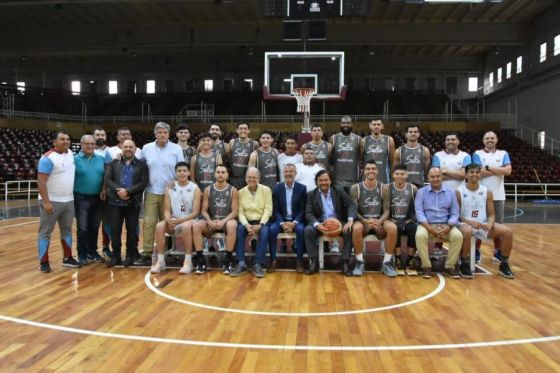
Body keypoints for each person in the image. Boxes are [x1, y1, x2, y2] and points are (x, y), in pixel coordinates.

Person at [456, 164, 515, 279]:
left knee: (508, 232)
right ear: (466, 175)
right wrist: (470, 222)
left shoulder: (487, 192)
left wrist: (490, 223)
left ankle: (504, 264)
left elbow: (492, 213)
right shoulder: (458, 192)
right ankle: (464, 263)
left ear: (480, 174)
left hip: (482, 224)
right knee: (467, 230)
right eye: (472, 172)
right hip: (464, 224)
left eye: (477, 172)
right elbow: (457, 215)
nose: (474, 174)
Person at [139, 122, 184, 265]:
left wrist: (176, 181)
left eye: (165, 132)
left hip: (170, 193)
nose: (162, 134)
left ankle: (168, 250)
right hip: (151, 190)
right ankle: (146, 252)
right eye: (159, 132)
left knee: (169, 224)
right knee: (149, 223)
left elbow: (181, 168)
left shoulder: (176, 149)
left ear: (168, 134)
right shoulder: (146, 148)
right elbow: (138, 165)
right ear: (155, 134)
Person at [36, 131, 80, 273]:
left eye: (67, 139)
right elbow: (41, 182)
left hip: (68, 200)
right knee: (45, 232)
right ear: (54, 142)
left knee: (66, 230)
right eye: (62, 139)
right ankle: (44, 262)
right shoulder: (47, 158)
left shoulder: (70, 155)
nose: (66, 141)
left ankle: (67, 258)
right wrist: (47, 202)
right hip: (51, 201)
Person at [150, 162, 201, 274]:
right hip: (175, 220)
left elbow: (196, 212)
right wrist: (168, 219)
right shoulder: (170, 187)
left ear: (189, 172)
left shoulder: (195, 188)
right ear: (175, 173)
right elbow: (167, 210)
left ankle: (188, 262)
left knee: (186, 226)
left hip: (189, 220)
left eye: (184, 171)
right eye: (179, 171)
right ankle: (161, 261)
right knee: (159, 226)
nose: (182, 173)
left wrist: (180, 220)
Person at [104, 140, 149, 267]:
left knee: (132, 231)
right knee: (115, 230)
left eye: (131, 147)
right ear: (121, 149)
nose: (128, 149)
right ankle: (116, 256)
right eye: (125, 147)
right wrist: (119, 191)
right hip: (114, 202)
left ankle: (129, 256)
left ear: (135, 149)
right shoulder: (113, 163)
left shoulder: (142, 165)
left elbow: (143, 182)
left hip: (132, 203)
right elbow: (107, 179)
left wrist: (128, 191)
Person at [350, 161, 398, 277]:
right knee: (356, 228)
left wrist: (379, 221)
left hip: (379, 222)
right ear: (363, 171)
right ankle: (359, 262)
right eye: (368, 169)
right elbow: (354, 210)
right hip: (363, 222)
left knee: (392, 228)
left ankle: (387, 263)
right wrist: (365, 221)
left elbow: (387, 210)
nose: (371, 171)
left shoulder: (384, 188)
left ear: (377, 171)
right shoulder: (355, 188)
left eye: (373, 169)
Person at [304, 170, 356, 276]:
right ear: (316, 182)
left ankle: (344, 262)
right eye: (320, 180)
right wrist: (317, 225)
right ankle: (314, 262)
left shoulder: (339, 190)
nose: (323, 183)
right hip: (321, 223)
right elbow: (308, 213)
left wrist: (350, 220)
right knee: (308, 230)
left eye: (326, 180)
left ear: (331, 181)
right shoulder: (311, 194)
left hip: (338, 223)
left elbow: (351, 204)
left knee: (349, 230)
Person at [414, 167, 463, 279]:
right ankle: (426, 266)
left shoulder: (451, 192)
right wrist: (430, 228)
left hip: (446, 225)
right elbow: (419, 213)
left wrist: (448, 226)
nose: (435, 179)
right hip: (427, 225)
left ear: (442, 177)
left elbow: (455, 213)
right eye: (432, 177)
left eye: (438, 176)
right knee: (420, 235)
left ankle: (449, 266)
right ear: (428, 178)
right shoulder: (421, 192)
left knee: (458, 236)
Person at [473, 131, 512, 263]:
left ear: (496, 140)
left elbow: (508, 171)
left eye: (492, 138)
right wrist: (498, 169)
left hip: (499, 196)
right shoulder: (478, 154)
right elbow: (478, 173)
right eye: (487, 138)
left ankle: (497, 251)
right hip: (480, 196)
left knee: (498, 225)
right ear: (483, 141)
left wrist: (488, 168)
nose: (489, 140)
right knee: (479, 224)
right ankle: (476, 251)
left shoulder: (503, 154)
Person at [193, 164, 239, 275]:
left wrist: (223, 221)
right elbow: (203, 210)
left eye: (223, 172)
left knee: (232, 224)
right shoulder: (208, 190)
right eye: (218, 172)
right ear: (214, 174)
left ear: (227, 175)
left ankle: (227, 261)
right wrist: (209, 221)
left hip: (226, 222)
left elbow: (234, 212)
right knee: (196, 226)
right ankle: (201, 261)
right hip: (211, 222)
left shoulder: (233, 190)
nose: (220, 174)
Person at [230, 167, 272, 279]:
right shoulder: (241, 192)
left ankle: (258, 264)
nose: (251, 179)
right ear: (245, 178)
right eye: (249, 177)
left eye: (254, 177)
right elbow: (240, 212)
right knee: (239, 230)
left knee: (265, 231)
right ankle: (241, 263)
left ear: (258, 178)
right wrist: (246, 225)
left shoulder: (266, 190)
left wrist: (261, 224)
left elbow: (268, 209)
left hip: (261, 221)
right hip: (247, 221)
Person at [74, 134, 105, 266]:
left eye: (92, 143)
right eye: (87, 143)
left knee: (94, 226)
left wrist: (103, 189)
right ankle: (82, 253)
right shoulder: (74, 159)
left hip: (98, 198)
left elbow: (105, 176)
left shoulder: (101, 159)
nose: (90, 146)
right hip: (81, 197)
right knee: (83, 227)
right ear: (81, 145)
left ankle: (93, 251)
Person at [269, 164, 307, 272]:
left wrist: (294, 223)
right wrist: (282, 223)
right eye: (286, 172)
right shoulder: (276, 188)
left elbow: (302, 210)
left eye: (291, 172)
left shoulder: (302, 188)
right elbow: (275, 210)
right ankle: (273, 261)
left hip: (296, 220)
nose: (288, 174)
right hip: (281, 220)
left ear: (295, 174)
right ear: (283, 173)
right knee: (272, 229)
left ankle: (299, 261)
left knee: (300, 229)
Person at [384, 165, 418, 276]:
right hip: (392, 219)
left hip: (408, 220)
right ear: (393, 175)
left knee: (413, 228)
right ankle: (398, 259)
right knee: (396, 228)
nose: (399, 176)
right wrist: (389, 219)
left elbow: (416, 207)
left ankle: (410, 260)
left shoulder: (413, 188)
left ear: (407, 175)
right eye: (397, 174)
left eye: (402, 174)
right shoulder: (387, 188)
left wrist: (412, 219)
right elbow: (384, 207)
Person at [93, 127, 113, 259]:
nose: (100, 136)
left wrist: (105, 188)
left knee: (107, 222)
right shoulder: (86, 150)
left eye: (102, 134)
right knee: (92, 223)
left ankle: (106, 247)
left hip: (106, 193)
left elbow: (111, 173)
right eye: (97, 134)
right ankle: (91, 250)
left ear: (105, 137)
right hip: (90, 194)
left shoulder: (110, 152)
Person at [330, 116, 361, 194]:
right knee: (338, 205)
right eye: (343, 123)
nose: (346, 125)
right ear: (340, 124)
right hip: (337, 180)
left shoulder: (358, 139)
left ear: (352, 124)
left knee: (352, 205)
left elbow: (361, 157)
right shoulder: (333, 138)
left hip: (353, 180)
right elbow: (330, 158)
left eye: (348, 123)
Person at [360, 119, 395, 184]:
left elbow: (392, 163)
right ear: (370, 126)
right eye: (374, 124)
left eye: (378, 124)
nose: (376, 126)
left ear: (382, 126)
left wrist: (392, 179)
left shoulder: (389, 140)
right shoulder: (364, 140)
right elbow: (360, 160)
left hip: (383, 178)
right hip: (366, 179)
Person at [227, 122, 258, 190]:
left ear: (248, 131)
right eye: (241, 128)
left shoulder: (254, 144)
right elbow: (228, 158)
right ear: (237, 130)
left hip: (246, 179)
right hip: (233, 179)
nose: (243, 130)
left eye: (245, 128)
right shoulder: (232, 142)